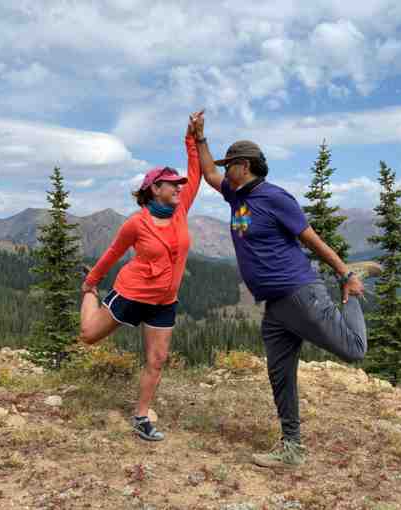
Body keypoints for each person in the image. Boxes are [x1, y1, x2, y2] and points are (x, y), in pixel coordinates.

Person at [191, 112, 381, 468]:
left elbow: (311, 239)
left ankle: (354, 292)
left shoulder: (276, 199)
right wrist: (201, 138)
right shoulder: (236, 195)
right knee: (280, 375)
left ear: (243, 166)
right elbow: (209, 174)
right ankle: (291, 447)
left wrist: (344, 275)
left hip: (300, 293)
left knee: (353, 350)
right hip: (276, 306)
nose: (225, 171)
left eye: (230, 165)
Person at [78, 111, 203, 441]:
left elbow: (196, 173)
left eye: (179, 185)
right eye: (172, 185)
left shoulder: (180, 211)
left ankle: (141, 417)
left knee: (157, 360)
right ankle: (88, 296)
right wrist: (92, 282)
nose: (179, 188)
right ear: (154, 189)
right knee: (89, 335)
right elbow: (113, 254)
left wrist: (192, 137)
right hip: (131, 294)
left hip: (164, 302)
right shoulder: (136, 223)